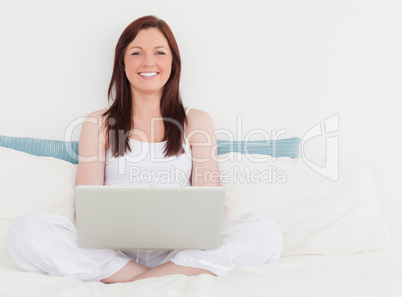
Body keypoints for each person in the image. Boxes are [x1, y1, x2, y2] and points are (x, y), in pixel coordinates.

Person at [7, 15, 283, 283]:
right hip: (113, 253)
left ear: (173, 62)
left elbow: (207, 208)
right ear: (122, 63)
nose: (148, 62)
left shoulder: (196, 121)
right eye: (137, 53)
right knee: (26, 231)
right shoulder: (98, 122)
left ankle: (136, 280)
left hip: (180, 252)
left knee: (265, 232)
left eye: (159, 52)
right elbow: (86, 210)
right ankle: (156, 279)